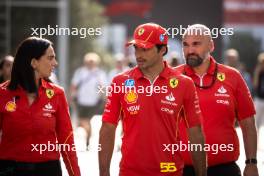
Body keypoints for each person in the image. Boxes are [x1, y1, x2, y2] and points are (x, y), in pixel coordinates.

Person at [99, 23, 206, 176]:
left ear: (162, 50)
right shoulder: (120, 82)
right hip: (130, 172)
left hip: (170, 171)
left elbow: (195, 132)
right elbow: (107, 129)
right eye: (136, 48)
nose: (138, 55)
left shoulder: (184, 83)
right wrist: (104, 172)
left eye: (145, 49)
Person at [175, 24, 258, 176]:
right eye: (185, 45)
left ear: (211, 45)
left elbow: (248, 124)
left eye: (196, 44)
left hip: (224, 169)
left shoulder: (233, 77)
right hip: (178, 170)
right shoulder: (170, 79)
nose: (190, 50)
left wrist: (251, 163)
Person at [0, 37, 80, 176]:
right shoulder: (2, 93)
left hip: (48, 169)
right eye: (50, 58)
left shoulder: (57, 93)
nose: (55, 63)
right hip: (9, 169)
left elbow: (66, 140)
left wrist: (75, 174)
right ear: (34, 62)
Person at [70, 52, 107, 147]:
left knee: (87, 120)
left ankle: (88, 140)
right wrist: (72, 96)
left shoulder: (99, 73)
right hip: (81, 101)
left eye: (92, 62)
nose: (90, 63)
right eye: (89, 61)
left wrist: (102, 97)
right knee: (83, 121)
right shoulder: (80, 72)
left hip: (94, 102)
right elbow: (74, 85)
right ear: (85, 62)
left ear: (96, 63)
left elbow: (102, 87)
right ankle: (88, 135)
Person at [253, 52, 264, 139]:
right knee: (257, 121)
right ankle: (256, 138)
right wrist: (258, 71)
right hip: (259, 99)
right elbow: (255, 84)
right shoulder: (258, 72)